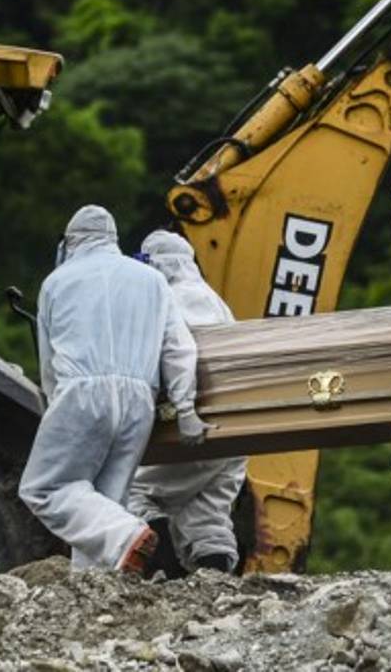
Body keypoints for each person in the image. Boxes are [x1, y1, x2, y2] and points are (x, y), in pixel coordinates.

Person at [18, 206, 212, 575]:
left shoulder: (57, 281)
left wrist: (55, 407)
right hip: (141, 400)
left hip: (82, 392)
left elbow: (49, 360)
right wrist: (186, 408)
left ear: (71, 240)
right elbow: (177, 345)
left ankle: (126, 536)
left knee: (44, 488)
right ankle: (95, 585)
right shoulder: (151, 280)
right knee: (105, 501)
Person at [127, 230, 246, 575]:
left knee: (133, 488)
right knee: (206, 512)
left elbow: (180, 356)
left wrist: (180, 409)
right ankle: (216, 585)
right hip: (233, 432)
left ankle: (164, 568)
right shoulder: (214, 300)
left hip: (191, 426)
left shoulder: (174, 299)